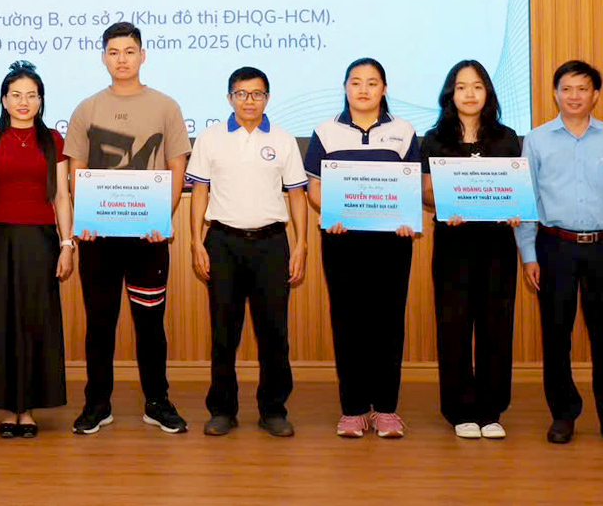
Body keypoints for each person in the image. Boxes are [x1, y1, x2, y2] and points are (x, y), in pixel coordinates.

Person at [64, 22, 191, 435]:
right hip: (98, 238)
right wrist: (86, 217)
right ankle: (97, 403)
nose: (122, 59)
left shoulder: (166, 106)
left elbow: (177, 168)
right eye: (114, 52)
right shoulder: (87, 109)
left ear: (143, 55)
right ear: (104, 57)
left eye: (130, 51)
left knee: (150, 325)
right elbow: (76, 171)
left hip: (148, 239)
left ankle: (157, 401)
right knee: (99, 323)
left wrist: (161, 219)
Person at [519, 60, 603, 448]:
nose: (574, 96)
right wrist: (528, 254)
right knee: (556, 334)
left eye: (582, 89)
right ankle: (563, 414)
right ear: (555, 93)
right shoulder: (536, 140)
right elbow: (527, 200)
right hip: (553, 246)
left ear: (595, 95)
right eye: (566, 89)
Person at [187, 66, 308, 438]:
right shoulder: (210, 138)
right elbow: (200, 192)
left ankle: (273, 410)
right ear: (230, 98)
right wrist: (195, 241)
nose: (249, 101)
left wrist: (301, 244)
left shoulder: (284, 140)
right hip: (222, 243)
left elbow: (297, 194)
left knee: (274, 333)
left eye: (256, 94)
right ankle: (223, 409)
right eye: (241, 94)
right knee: (224, 331)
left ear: (267, 98)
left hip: (272, 244)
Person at [304, 57, 421, 439]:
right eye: (356, 82)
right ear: (345, 87)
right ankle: (353, 409)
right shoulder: (326, 131)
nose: (364, 89)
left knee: (388, 322)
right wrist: (331, 212)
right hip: (343, 238)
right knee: (348, 322)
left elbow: (411, 185)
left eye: (372, 82)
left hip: (391, 241)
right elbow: (315, 188)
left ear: (384, 89)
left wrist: (406, 217)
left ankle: (386, 408)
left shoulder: (403, 131)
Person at [0, 61, 74, 437]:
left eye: (31, 95)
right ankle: (6, 407)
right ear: (4, 100)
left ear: (41, 100)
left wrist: (66, 244)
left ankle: (27, 409)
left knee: (35, 321)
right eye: (16, 95)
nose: (23, 102)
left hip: (41, 241)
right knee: (2, 321)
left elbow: (61, 196)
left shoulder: (54, 141)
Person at [419, 61, 522, 439]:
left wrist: (515, 208)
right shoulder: (435, 139)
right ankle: (460, 409)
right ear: (450, 94)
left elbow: (516, 189)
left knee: (496, 325)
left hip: (497, 245)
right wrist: (446, 201)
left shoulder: (506, 138)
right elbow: (425, 192)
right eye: (461, 87)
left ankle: (491, 410)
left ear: (488, 92)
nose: (469, 94)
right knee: (454, 326)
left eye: (477, 86)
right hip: (453, 243)